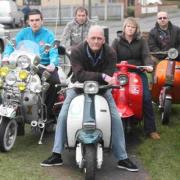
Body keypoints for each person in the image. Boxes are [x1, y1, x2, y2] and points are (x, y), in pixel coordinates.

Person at [40, 25, 139, 172]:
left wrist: (103, 78)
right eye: (93, 38)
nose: (96, 41)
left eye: (99, 38)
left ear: (104, 40)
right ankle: (56, 154)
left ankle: (122, 157)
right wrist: (102, 76)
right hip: (78, 86)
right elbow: (79, 74)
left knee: (115, 117)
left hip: (102, 88)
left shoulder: (110, 52)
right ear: (87, 38)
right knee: (63, 115)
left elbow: (109, 74)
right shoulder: (77, 51)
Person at [3, 9, 60, 120]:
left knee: (55, 82)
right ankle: (11, 105)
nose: (34, 22)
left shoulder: (49, 35)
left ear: (42, 21)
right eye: (32, 20)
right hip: (24, 65)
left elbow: (54, 52)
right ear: (28, 22)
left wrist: (53, 64)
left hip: (42, 66)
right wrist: (6, 56)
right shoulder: (23, 33)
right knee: (7, 80)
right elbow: (11, 45)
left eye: (37, 20)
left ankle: (46, 113)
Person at [111, 17, 160, 140]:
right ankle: (107, 124)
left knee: (146, 97)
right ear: (124, 27)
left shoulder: (141, 41)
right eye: (128, 26)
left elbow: (146, 55)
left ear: (136, 29)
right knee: (110, 94)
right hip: (119, 73)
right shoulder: (117, 41)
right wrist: (110, 66)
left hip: (137, 71)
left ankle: (151, 130)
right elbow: (111, 56)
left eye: (133, 27)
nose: (130, 29)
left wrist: (148, 65)